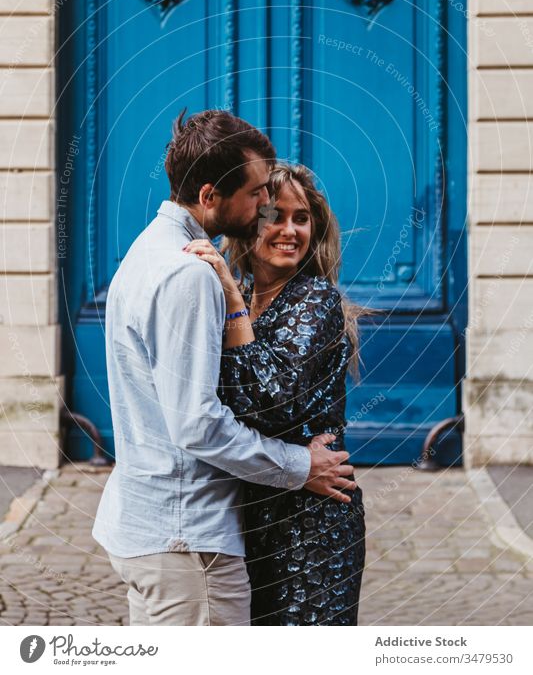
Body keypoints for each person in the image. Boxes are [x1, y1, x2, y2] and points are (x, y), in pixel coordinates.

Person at [92, 110, 357, 626]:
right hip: (187, 537)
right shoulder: (191, 274)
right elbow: (198, 424)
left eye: (294, 214)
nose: (265, 206)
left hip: (169, 531)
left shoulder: (146, 253)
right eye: (259, 195)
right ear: (211, 196)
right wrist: (301, 466)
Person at [185, 162, 367, 625]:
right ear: (250, 226)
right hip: (248, 515)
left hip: (312, 525)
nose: (289, 230)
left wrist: (230, 301)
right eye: (275, 216)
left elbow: (272, 399)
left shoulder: (314, 300)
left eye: (301, 218)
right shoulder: (241, 295)